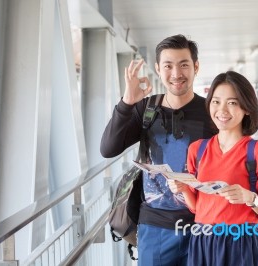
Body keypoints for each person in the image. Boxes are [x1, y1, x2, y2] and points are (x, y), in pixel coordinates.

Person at [100, 34, 217, 265]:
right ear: (158, 68)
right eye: (168, 66)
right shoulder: (147, 108)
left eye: (184, 64)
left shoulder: (210, 111)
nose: (176, 74)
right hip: (155, 226)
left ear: (196, 67)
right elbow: (108, 148)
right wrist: (127, 103)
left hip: (203, 223)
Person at [169, 71, 258, 266]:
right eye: (216, 101)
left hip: (241, 242)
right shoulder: (198, 149)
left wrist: (250, 198)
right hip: (203, 239)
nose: (222, 110)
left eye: (232, 103)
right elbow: (198, 207)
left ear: (247, 108)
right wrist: (184, 189)